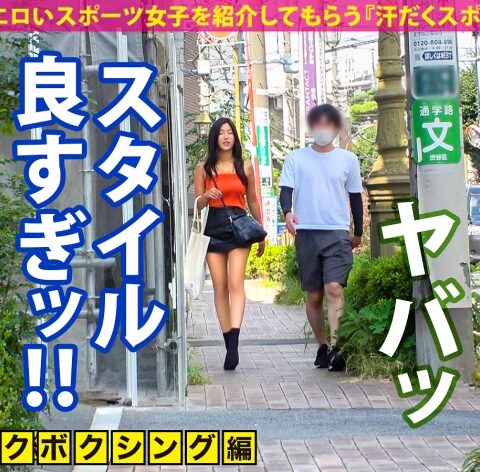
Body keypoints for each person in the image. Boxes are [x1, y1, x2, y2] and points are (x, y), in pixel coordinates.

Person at [279, 104, 363, 372]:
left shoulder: (348, 160)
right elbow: (285, 190)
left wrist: (358, 232)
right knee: (314, 295)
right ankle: (322, 346)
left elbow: (355, 197)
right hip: (306, 232)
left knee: (334, 288)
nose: (323, 129)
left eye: (328, 123)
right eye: (318, 123)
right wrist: (288, 213)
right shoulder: (296, 158)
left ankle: (337, 349)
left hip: (337, 232)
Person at [194, 117, 265, 371]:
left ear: (235, 137)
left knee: (236, 282)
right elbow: (198, 204)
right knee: (220, 287)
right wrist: (206, 196)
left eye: (230, 132)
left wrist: (261, 231)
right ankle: (229, 342)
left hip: (239, 227)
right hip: (213, 227)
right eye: (221, 133)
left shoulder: (245, 166)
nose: (226, 137)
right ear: (214, 138)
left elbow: (253, 200)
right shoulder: (203, 168)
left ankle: (233, 342)